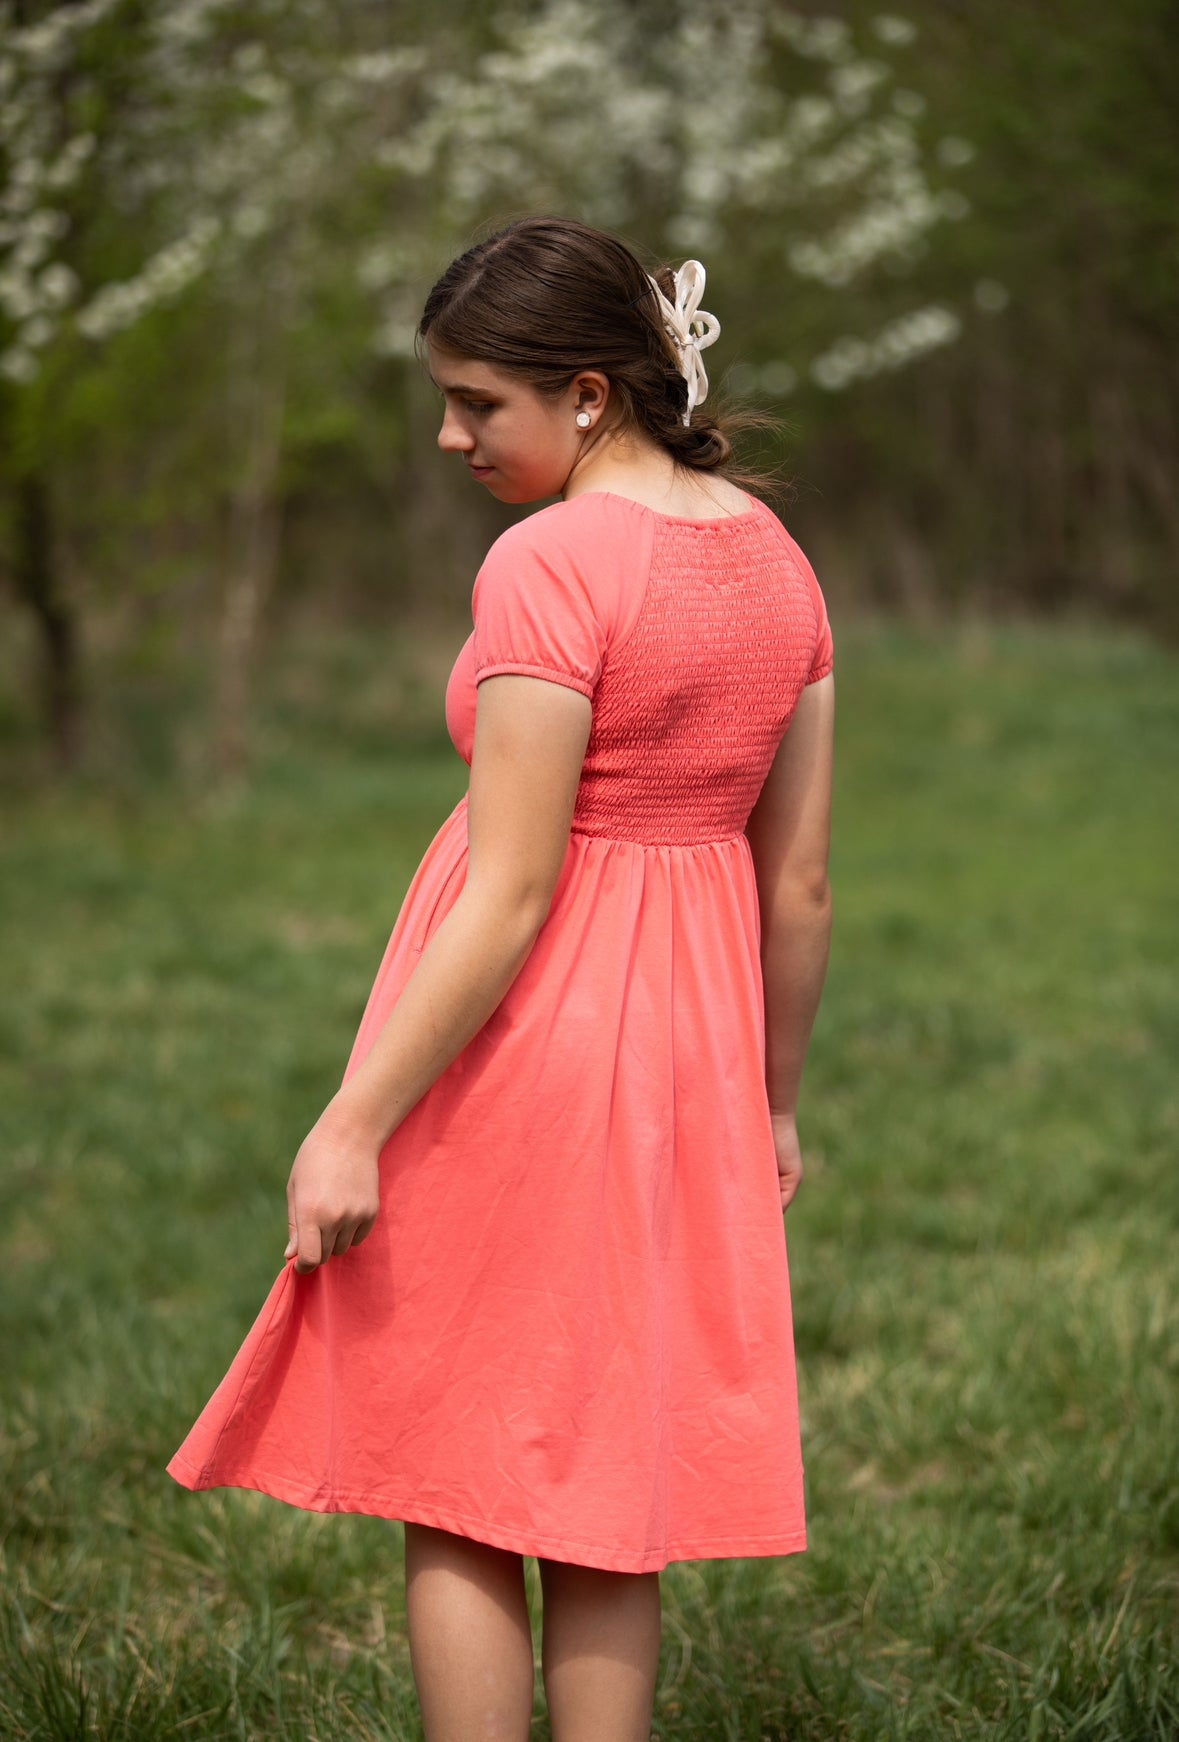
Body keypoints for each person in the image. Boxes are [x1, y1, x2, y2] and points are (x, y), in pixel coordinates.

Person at [168, 215, 834, 1742]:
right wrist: (775, 1099)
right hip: (686, 1052)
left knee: (459, 1460)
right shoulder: (776, 556)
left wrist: (353, 1117)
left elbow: (517, 882)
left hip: (526, 1045)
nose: (450, 436)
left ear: (589, 394)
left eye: (478, 402)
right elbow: (797, 877)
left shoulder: (548, 562)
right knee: (607, 1472)